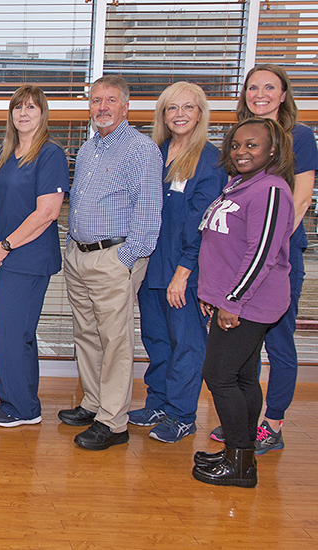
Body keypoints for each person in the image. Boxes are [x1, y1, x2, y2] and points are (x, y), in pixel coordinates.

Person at [209, 65, 318, 454]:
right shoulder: (242, 142)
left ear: (284, 94)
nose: (260, 93)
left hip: (277, 256)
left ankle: (273, 423)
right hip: (243, 261)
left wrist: (265, 250)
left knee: (280, 340)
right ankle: (243, 423)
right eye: (253, 87)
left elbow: (301, 199)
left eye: (270, 87)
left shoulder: (299, 137)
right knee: (244, 350)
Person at [59, 75, 163, 450]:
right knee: (87, 334)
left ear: (125, 107)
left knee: (115, 340)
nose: (101, 107)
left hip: (113, 259)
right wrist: (72, 246)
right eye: (95, 100)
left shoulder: (141, 149)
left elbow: (149, 214)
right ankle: (93, 402)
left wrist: (126, 259)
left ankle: (114, 422)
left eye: (110, 100)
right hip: (79, 255)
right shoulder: (89, 149)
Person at [192, 117, 296, 488]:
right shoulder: (239, 185)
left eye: (252, 145)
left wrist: (232, 302)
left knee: (218, 376)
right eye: (236, 145)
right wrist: (211, 294)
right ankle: (241, 454)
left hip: (249, 304)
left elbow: (261, 254)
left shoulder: (271, 190)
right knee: (243, 377)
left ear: (272, 150)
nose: (241, 151)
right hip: (231, 300)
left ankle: (239, 462)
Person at [127, 82, 227, 443]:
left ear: (200, 113)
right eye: (172, 108)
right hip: (151, 265)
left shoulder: (211, 161)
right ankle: (158, 402)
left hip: (185, 271)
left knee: (187, 343)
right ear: (163, 115)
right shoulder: (156, 153)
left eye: (187, 107)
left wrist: (183, 274)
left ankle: (183, 414)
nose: (179, 114)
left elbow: (204, 224)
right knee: (156, 339)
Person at [0, 85, 67, 427]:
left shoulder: (50, 155)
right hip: (2, 255)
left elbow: (47, 212)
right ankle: (22, 401)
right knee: (16, 333)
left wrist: (4, 246)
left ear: (42, 113)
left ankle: (21, 408)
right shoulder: (5, 154)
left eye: (31, 107)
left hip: (28, 258)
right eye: (18, 107)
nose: (23, 113)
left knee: (9, 332)